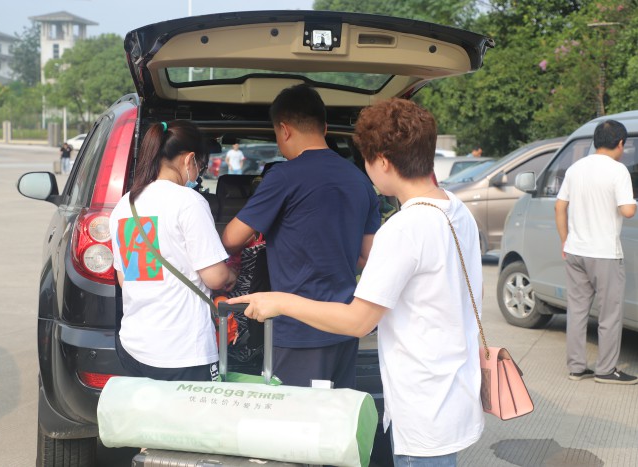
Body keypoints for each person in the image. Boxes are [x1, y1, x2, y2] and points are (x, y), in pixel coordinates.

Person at [229, 98, 484, 466]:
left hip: (423, 405)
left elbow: (359, 321)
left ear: (382, 161)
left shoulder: (404, 229)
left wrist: (279, 301)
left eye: (366, 159)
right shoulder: (455, 209)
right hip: (454, 389)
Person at [221, 83, 381, 389]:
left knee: (297, 416)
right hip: (346, 324)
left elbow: (231, 239)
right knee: (338, 413)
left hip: (296, 331)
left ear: (284, 130)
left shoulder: (283, 177)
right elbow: (367, 257)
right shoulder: (361, 181)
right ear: (324, 127)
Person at [108, 120, 236, 382]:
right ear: (189, 159)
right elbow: (215, 277)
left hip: (134, 346)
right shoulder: (188, 201)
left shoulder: (125, 205)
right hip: (182, 350)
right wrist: (231, 274)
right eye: (200, 166)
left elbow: (124, 278)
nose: (198, 173)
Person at [555, 119, 637, 385]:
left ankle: (576, 368)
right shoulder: (618, 170)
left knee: (577, 311)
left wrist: (565, 241)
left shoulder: (576, 169)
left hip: (576, 251)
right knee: (609, 314)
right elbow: (628, 210)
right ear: (620, 143)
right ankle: (606, 370)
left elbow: (559, 206)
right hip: (605, 253)